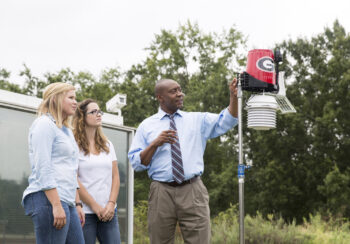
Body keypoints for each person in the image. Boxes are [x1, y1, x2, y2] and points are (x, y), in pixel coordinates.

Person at [128, 78, 238, 244]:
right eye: (174, 91)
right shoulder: (146, 125)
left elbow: (227, 120)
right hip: (161, 191)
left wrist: (233, 96)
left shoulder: (197, 119)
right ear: (160, 97)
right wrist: (155, 144)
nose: (180, 94)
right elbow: (137, 164)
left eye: (180, 90)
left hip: (193, 189)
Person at [22, 82, 85, 244]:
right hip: (48, 199)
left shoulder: (66, 131)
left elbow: (71, 170)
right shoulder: (44, 124)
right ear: (55, 99)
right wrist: (56, 205)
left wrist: (77, 203)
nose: (75, 102)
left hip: (67, 200)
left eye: (75, 98)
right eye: (70, 98)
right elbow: (43, 167)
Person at [73, 98, 121, 244]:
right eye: (93, 112)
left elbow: (115, 176)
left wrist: (111, 204)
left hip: (109, 212)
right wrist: (95, 206)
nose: (98, 114)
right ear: (82, 117)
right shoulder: (73, 144)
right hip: (85, 213)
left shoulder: (107, 144)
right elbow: (73, 178)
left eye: (99, 111)